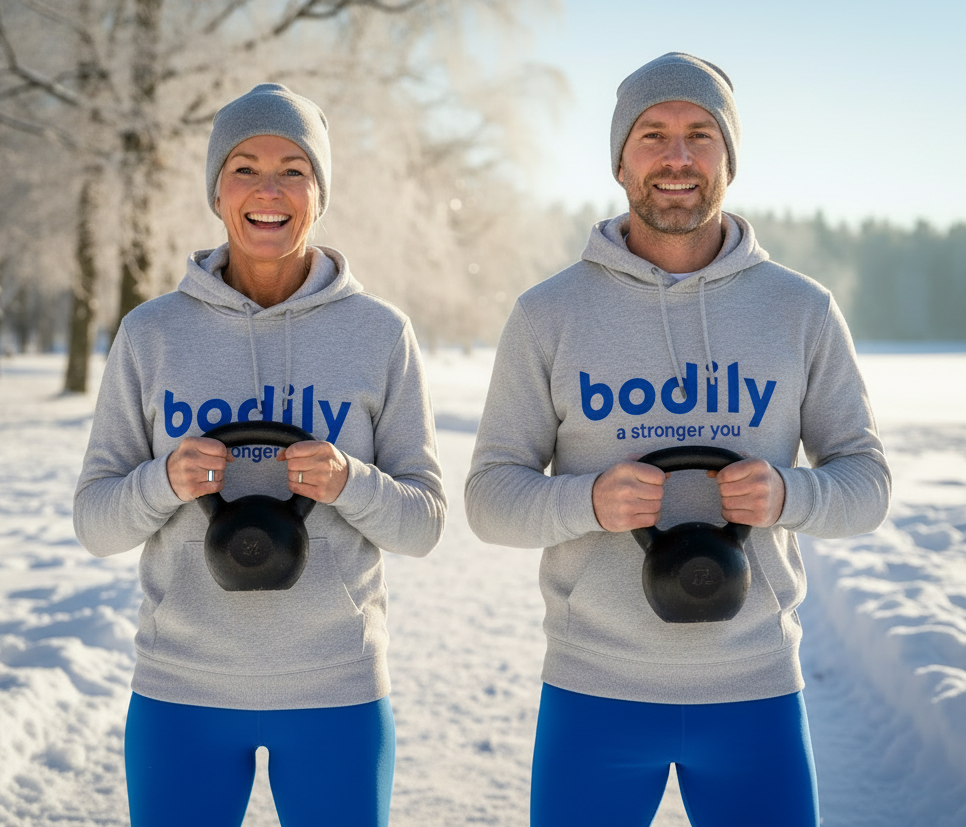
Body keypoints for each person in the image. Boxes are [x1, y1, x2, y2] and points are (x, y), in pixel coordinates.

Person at [464, 53, 891, 826]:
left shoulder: (800, 310)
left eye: (701, 135)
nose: (678, 157)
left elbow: (866, 485)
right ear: (620, 160)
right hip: (593, 690)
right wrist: (589, 499)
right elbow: (491, 499)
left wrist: (789, 493)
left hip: (755, 690)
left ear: (728, 157)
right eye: (653, 134)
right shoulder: (548, 314)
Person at [73, 83, 445, 827]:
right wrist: (162, 482)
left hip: (337, 690)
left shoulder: (379, 334)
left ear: (320, 192)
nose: (268, 191)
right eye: (244, 168)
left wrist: (349, 481)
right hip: (181, 691)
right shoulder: (152, 333)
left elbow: (425, 524)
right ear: (216, 190)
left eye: (293, 170)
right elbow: (95, 523)